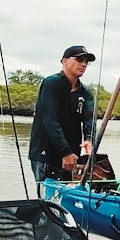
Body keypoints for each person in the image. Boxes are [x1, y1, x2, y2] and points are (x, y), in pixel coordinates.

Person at [28, 45, 97, 184]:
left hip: (73, 155)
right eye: (79, 60)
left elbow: (90, 120)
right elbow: (50, 120)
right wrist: (65, 152)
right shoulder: (51, 84)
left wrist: (89, 140)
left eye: (86, 62)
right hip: (45, 153)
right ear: (64, 61)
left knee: (68, 195)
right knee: (47, 197)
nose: (83, 65)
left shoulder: (85, 92)